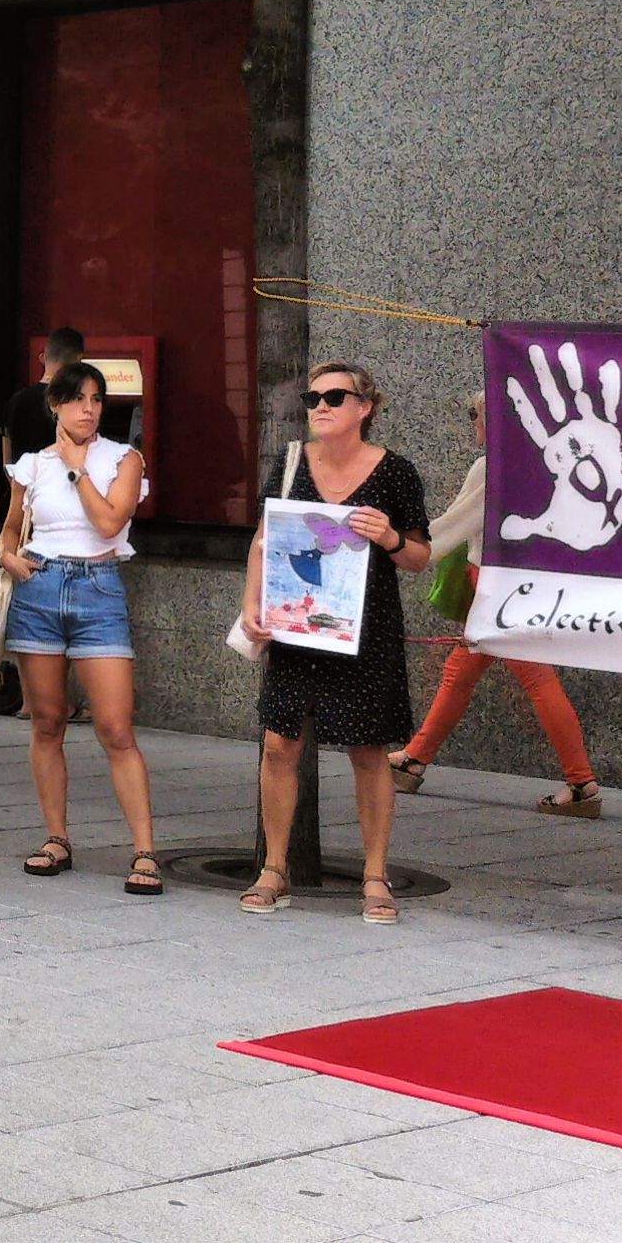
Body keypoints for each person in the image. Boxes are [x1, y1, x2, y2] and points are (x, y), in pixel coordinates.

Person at [237, 362, 432, 924]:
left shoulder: (395, 473)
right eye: (312, 397)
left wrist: (391, 537)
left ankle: (375, 876)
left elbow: (420, 556)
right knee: (280, 745)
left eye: (335, 397)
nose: (320, 406)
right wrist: (251, 604)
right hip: (297, 627)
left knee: (369, 752)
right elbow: (265, 538)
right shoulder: (294, 460)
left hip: (365, 631)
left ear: (364, 407)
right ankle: (274, 869)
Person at [392, 393, 601, 815]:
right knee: (461, 670)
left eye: (476, 414)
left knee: (535, 679)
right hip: (524, 586)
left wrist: (394, 543)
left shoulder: (492, 467)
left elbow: (450, 528)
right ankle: (414, 757)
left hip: (495, 588)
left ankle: (582, 783)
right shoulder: (544, 462)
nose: (473, 423)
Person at [0, 357, 161, 889]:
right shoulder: (31, 464)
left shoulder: (123, 458)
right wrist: (8, 557)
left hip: (98, 586)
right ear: (55, 405)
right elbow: (11, 527)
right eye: (76, 400)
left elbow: (111, 520)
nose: (88, 410)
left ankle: (144, 850)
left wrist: (77, 469)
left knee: (116, 727)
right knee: (46, 721)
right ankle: (56, 836)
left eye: (95, 400)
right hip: (40, 586)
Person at [3, 328, 87, 466]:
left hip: (24, 485)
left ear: (43, 357)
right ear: (78, 361)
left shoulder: (16, 401)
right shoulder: (78, 404)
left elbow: (7, 461)